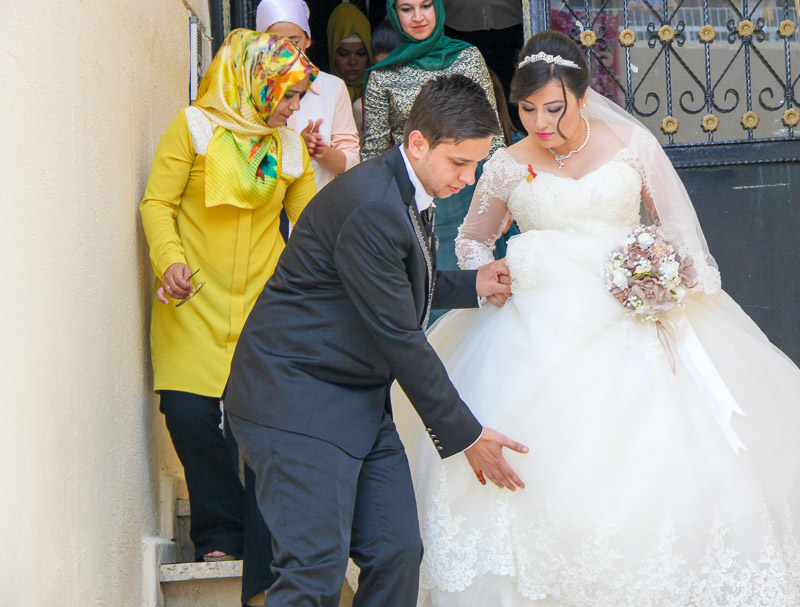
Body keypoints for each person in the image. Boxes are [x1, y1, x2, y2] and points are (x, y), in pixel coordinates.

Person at [393, 31, 800, 606]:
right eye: (527, 109)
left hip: (631, 314)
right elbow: (471, 243)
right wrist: (494, 277)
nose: (540, 122)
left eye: (553, 108)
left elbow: (680, 231)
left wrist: (663, 276)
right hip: (534, 326)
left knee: (665, 456)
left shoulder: (632, 145)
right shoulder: (507, 165)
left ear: (582, 97)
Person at [224, 74, 528, 607]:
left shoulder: (405, 187)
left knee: (396, 553)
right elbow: (400, 338)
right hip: (295, 400)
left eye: (477, 163)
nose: (469, 176)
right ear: (417, 142)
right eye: (459, 162)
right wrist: (468, 434)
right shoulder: (371, 205)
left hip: (357, 401)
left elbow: (397, 279)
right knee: (313, 573)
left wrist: (469, 283)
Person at [139, 29, 317, 564]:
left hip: (264, 308)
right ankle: (219, 533)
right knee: (189, 416)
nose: (292, 109)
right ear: (255, 80)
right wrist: (170, 261)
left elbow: (309, 228)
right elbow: (156, 203)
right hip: (191, 297)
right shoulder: (193, 127)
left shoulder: (290, 147)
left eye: (298, 97)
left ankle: (261, 545)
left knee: (261, 424)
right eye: (286, 95)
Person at [361, 0, 504, 297]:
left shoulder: (467, 57)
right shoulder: (382, 75)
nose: (417, 17)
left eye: (425, 5)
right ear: (393, 14)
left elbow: (493, 136)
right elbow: (373, 155)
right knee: (426, 286)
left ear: (438, 8)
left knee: (479, 283)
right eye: (406, 8)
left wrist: (506, 196)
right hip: (412, 199)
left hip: (470, 191)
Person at [257, 0, 361, 191]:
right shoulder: (249, 89)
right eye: (276, 41)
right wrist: (294, 148)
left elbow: (352, 164)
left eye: (294, 41)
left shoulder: (332, 88)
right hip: (263, 214)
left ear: (308, 41)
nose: (286, 50)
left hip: (316, 212)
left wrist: (321, 152)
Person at [351, 17, 401, 137]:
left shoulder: (426, 103)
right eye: (380, 70)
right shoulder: (361, 108)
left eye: (393, 69)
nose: (386, 79)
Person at [327, 2, 373, 105]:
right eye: (343, 54)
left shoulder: (381, 93)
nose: (353, 62)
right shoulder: (320, 95)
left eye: (361, 53)